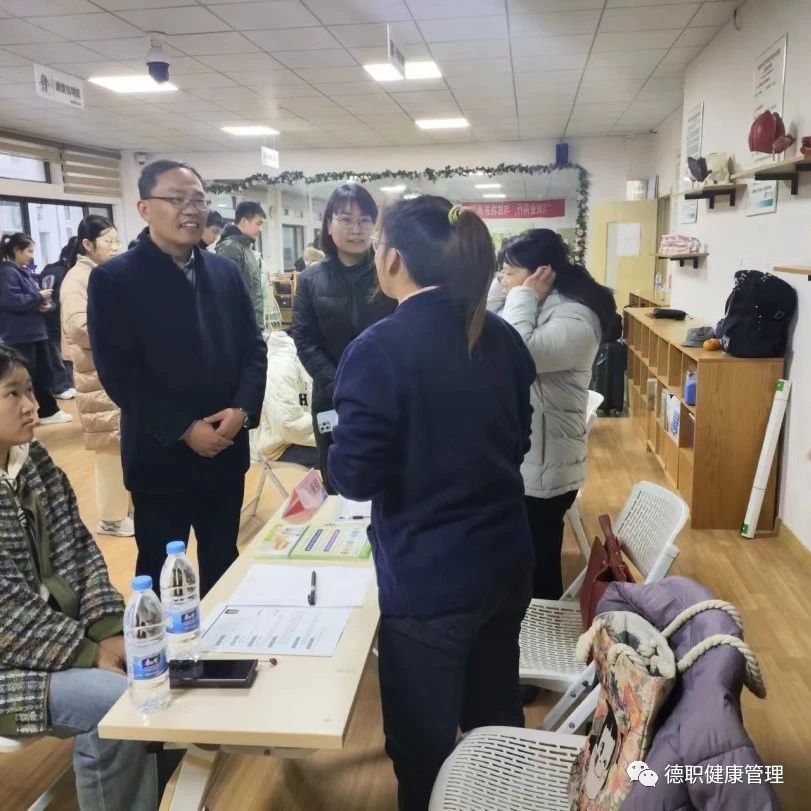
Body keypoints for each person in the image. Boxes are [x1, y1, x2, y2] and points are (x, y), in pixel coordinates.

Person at [327, 197, 536, 811]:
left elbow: (355, 478)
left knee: (422, 747)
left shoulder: (379, 348)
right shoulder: (502, 335)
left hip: (430, 579)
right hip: (505, 560)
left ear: (391, 259)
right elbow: (520, 441)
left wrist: (337, 450)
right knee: (495, 719)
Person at [87, 160, 267, 596]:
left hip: (225, 450)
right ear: (144, 208)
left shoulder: (224, 272)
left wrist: (242, 410)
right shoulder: (115, 279)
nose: (191, 209)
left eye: (199, 200)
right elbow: (120, 373)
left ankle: (226, 640)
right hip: (160, 455)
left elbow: (253, 348)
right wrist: (184, 428)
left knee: (223, 564)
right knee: (162, 573)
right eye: (176, 199)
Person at [0, 343, 157, 809]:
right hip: (13, 663)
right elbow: (5, 615)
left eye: (30, 390)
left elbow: (80, 553)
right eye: (12, 394)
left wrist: (108, 631)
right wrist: (86, 651)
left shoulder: (33, 461)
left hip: (53, 638)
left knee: (156, 656)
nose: (31, 406)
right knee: (117, 701)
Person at [487, 229, 619, 603]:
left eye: (508, 271)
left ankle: (546, 628)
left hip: (546, 466)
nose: (502, 279)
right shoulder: (540, 303)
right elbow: (485, 321)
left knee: (538, 565)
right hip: (529, 457)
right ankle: (524, 622)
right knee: (521, 557)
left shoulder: (576, 316)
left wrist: (523, 294)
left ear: (539, 274)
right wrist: (513, 287)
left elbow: (517, 353)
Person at [292, 184, 395, 493]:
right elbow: (305, 340)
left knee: (387, 475)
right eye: (346, 219)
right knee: (338, 477)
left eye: (365, 220)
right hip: (330, 396)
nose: (356, 229)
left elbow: (402, 330)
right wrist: (340, 385)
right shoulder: (311, 278)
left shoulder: (389, 272)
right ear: (328, 224)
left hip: (385, 394)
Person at [61, 216, 134, 538]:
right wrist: (125, 331)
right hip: (95, 374)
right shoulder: (77, 279)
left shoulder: (103, 273)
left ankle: (125, 509)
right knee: (109, 448)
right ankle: (111, 518)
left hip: (113, 369)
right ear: (88, 244)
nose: (115, 247)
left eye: (117, 241)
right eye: (109, 241)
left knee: (122, 442)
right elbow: (79, 328)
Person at [0, 233, 72, 425]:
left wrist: (48, 305)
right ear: (17, 251)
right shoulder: (8, 273)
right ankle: (37, 412)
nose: (32, 256)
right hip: (21, 335)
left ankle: (48, 411)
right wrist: (38, 297)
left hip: (35, 332)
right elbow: (11, 301)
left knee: (42, 374)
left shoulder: (23, 272)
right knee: (29, 377)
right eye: (29, 251)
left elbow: (34, 299)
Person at [255, 329, 318, 468]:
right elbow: (287, 424)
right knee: (346, 457)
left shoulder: (301, 356)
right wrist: (330, 427)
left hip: (298, 438)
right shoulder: (281, 363)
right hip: (281, 447)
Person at [215, 201, 266, 327]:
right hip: (240, 326)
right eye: (258, 223)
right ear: (243, 221)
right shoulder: (230, 248)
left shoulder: (245, 247)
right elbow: (225, 292)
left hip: (251, 324)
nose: (261, 229)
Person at [39, 237, 76, 399]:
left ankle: (63, 385)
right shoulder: (66, 272)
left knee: (56, 352)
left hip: (49, 317)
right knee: (57, 352)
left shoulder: (50, 269)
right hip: (55, 317)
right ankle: (62, 386)